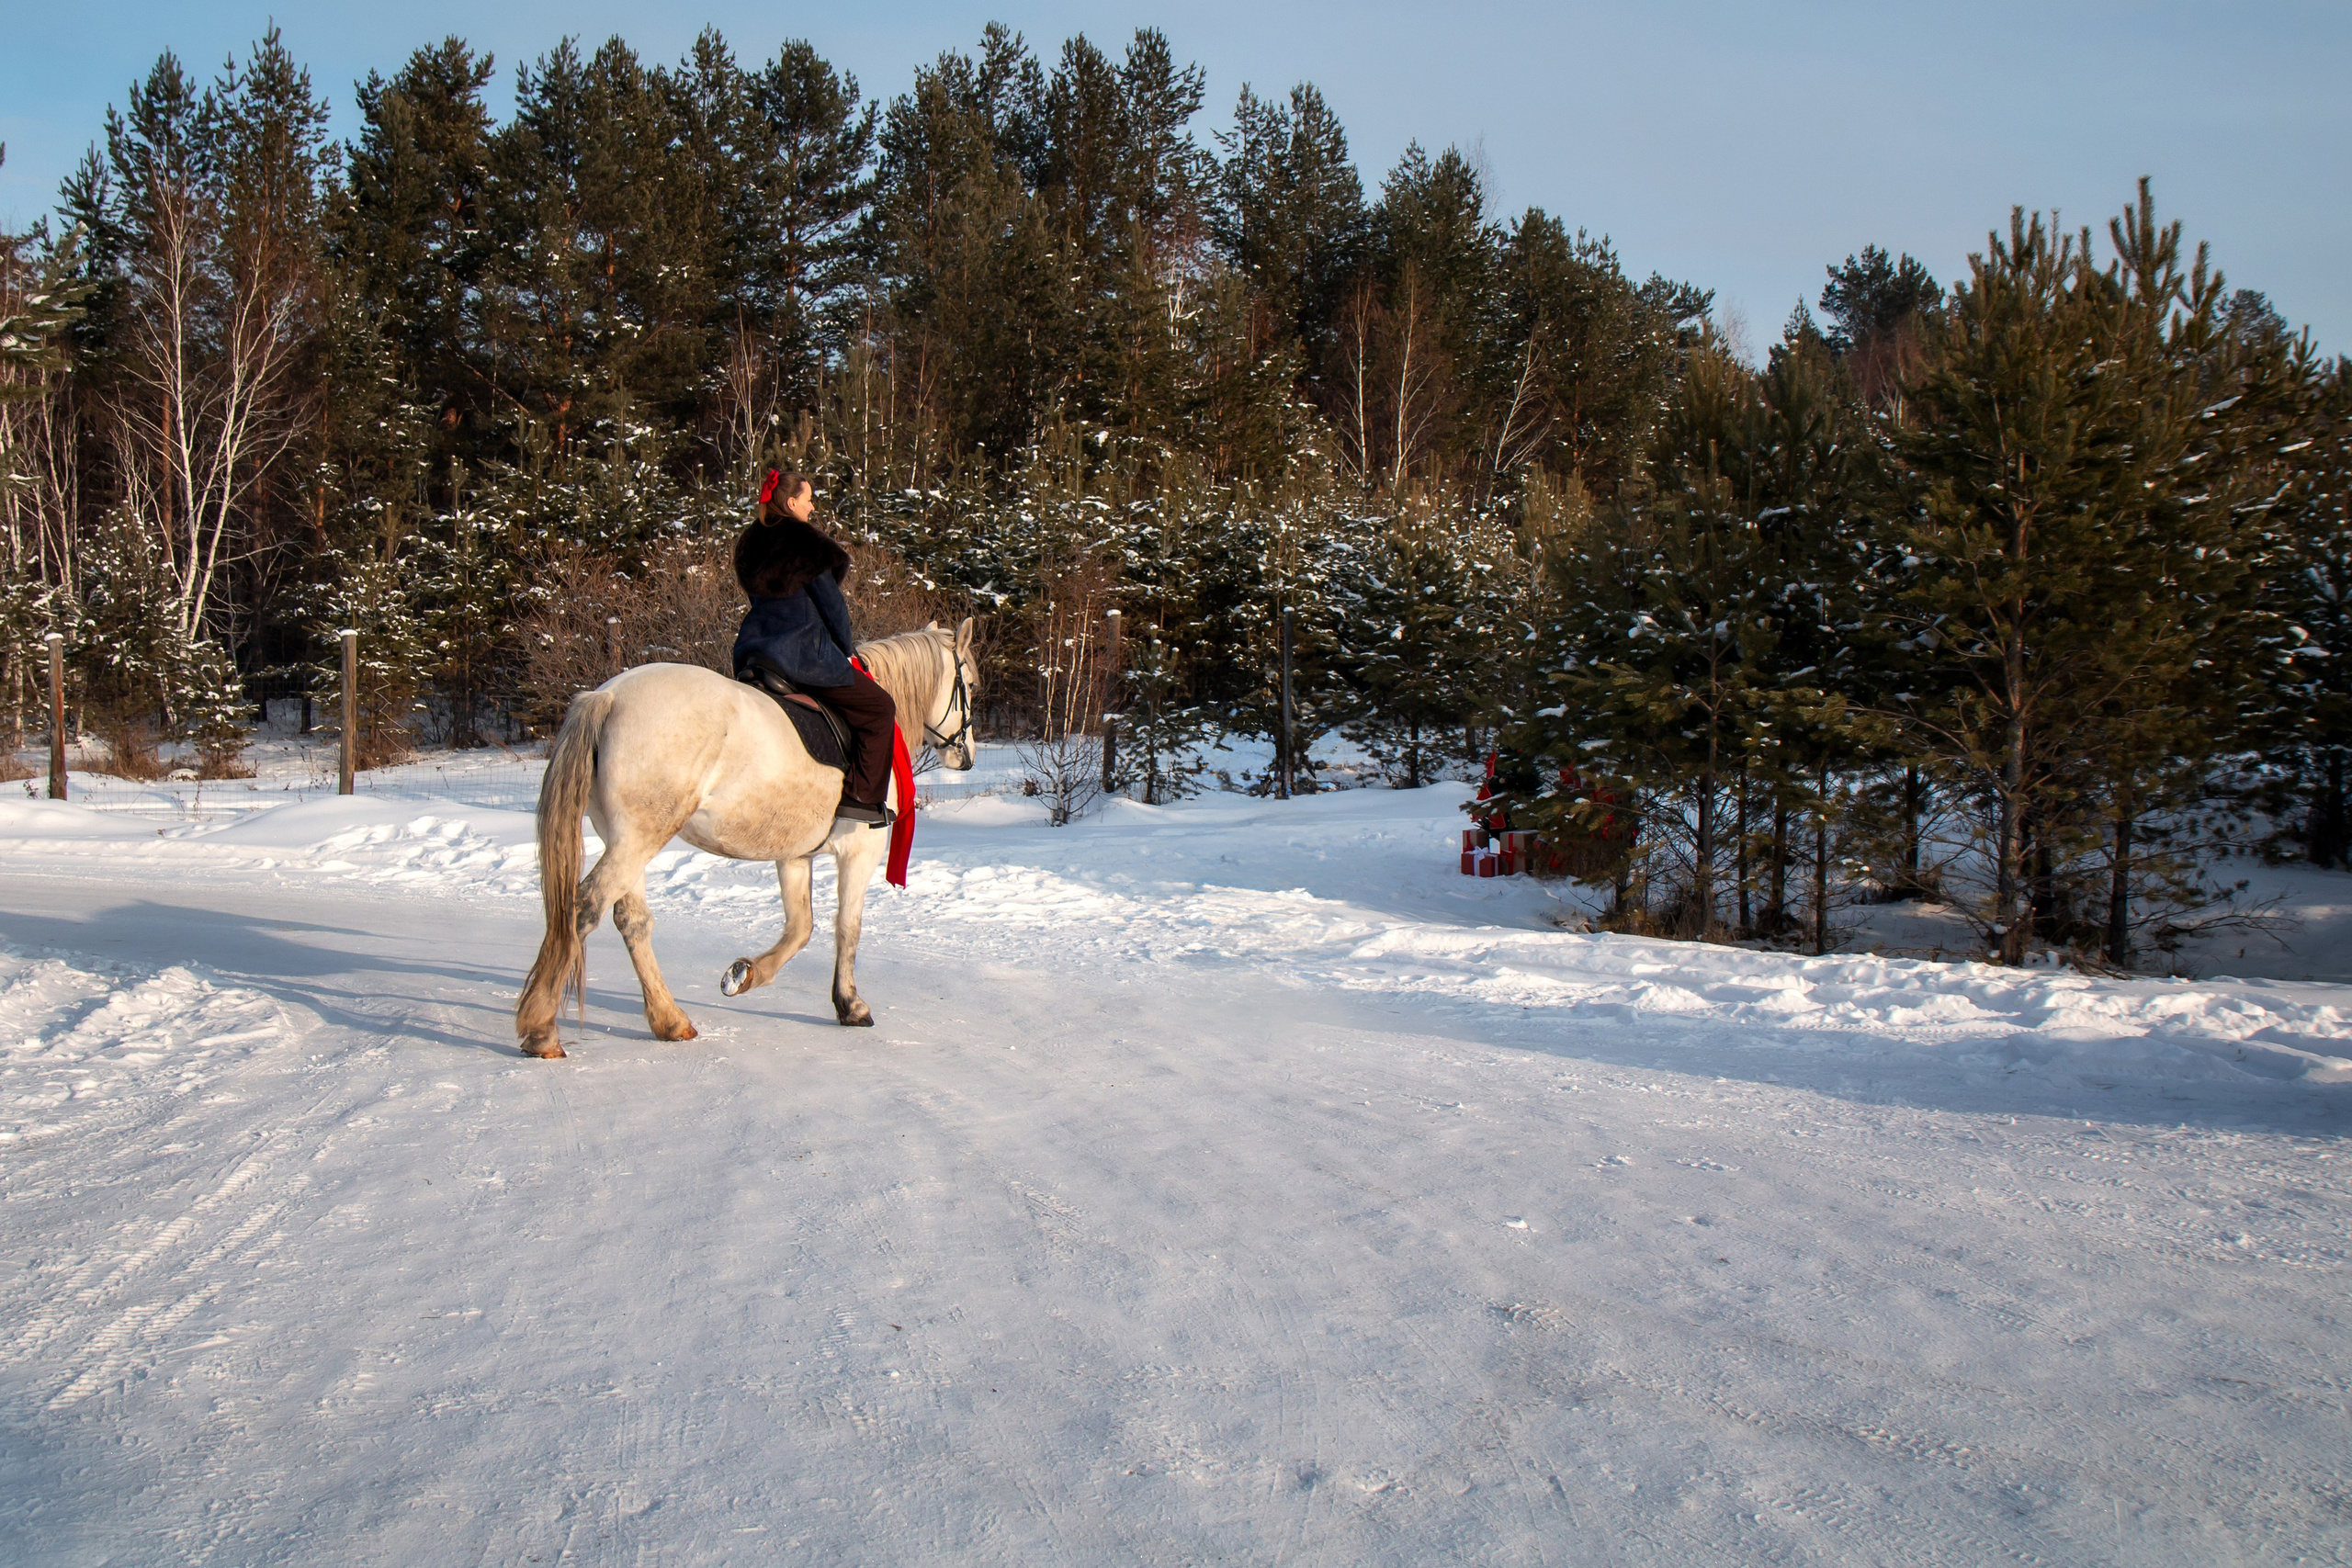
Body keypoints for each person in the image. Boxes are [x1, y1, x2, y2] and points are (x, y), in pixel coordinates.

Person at [731, 470, 898, 828]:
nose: (812, 506)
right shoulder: (802, 541)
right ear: (791, 503)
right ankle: (862, 798)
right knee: (880, 708)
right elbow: (832, 606)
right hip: (803, 654)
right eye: (808, 499)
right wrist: (847, 651)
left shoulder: (751, 542)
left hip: (754, 651)